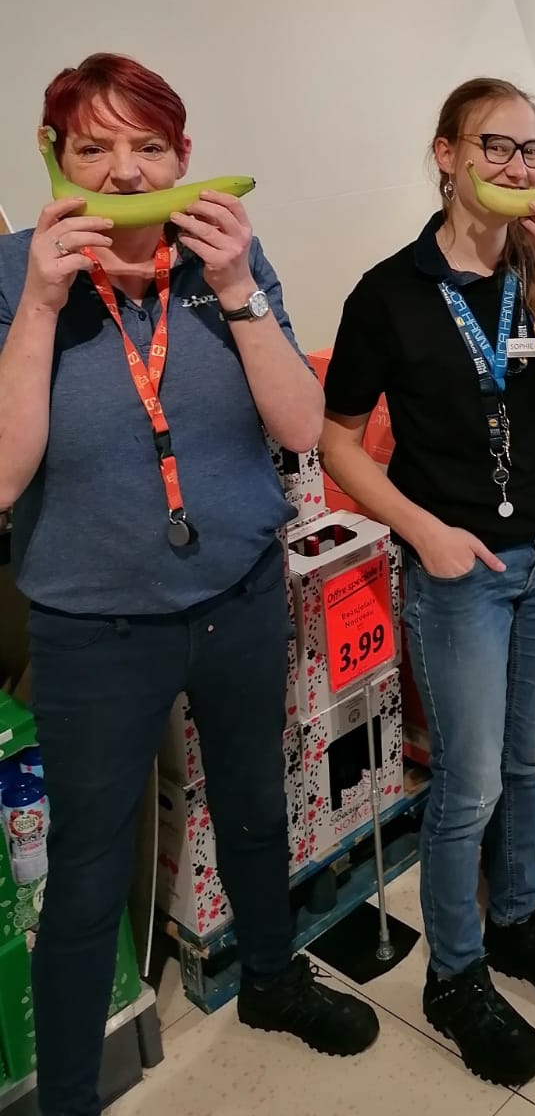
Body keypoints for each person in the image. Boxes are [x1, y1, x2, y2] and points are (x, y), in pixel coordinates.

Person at [0, 55, 378, 1116]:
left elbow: (302, 430)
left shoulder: (230, 259)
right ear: (54, 159)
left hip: (239, 590)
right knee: (82, 876)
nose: (125, 171)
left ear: (184, 157)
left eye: (149, 147)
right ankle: (68, 1096)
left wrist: (237, 293)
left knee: (256, 803)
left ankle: (268, 976)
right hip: (92, 623)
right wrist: (36, 306)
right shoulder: (12, 272)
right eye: (94, 147)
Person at [320, 77, 535, 1089]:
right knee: (469, 780)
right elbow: (338, 441)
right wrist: (421, 531)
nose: (517, 169)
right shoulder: (390, 293)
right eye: (495, 148)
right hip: (462, 571)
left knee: (531, 759)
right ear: (444, 154)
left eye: (532, 151)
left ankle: (522, 916)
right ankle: (454, 971)